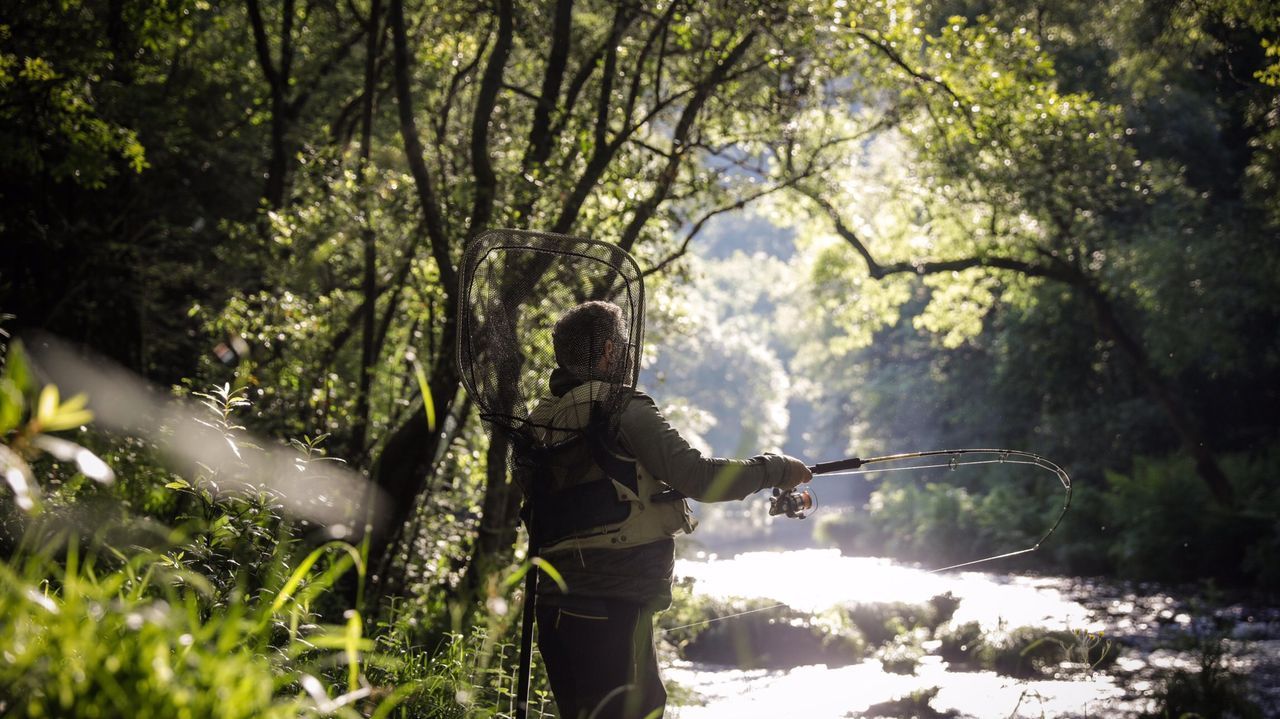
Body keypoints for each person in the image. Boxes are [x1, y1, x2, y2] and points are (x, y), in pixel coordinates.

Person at [522, 300, 811, 719]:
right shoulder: (620, 409)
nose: (626, 352)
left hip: (554, 607)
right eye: (620, 344)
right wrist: (777, 469)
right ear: (606, 352)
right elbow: (698, 477)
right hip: (613, 604)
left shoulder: (540, 420)